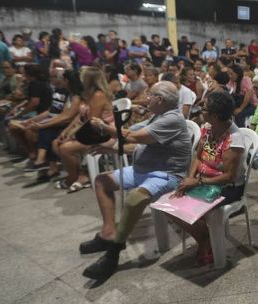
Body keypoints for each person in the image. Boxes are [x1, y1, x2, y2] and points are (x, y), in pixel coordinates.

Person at [79, 81, 192, 281]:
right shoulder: (157, 117)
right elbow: (131, 141)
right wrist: (109, 143)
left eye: (150, 95)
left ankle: (113, 252)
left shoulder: (173, 119)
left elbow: (134, 137)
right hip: (143, 170)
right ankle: (108, 233)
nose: (147, 98)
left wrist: (104, 126)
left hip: (165, 175)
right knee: (101, 181)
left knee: (133, 198)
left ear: (160, 99)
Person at [162, 91, 246, 266]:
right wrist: (189, 179)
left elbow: (229, 176)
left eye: (204, 108)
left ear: (215, 115)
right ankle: (205, 238)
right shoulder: (208, 128)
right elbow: (198, 157)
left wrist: (197, 182)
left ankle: (206, 241)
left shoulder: (234, 139)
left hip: (227, 187)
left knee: (186, 208)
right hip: (203, 180)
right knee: (169, 205)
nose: (201, 111)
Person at [54, 67, 114, 192]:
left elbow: (92, 121)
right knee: (57, 143)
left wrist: (73, 134)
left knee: (65, 148)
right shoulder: (89, 94)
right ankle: (81, 174)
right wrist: (67, 132)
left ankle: (73, 178)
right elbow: (80, 117)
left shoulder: (98, 95)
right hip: (91, 130)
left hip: (104, 132)